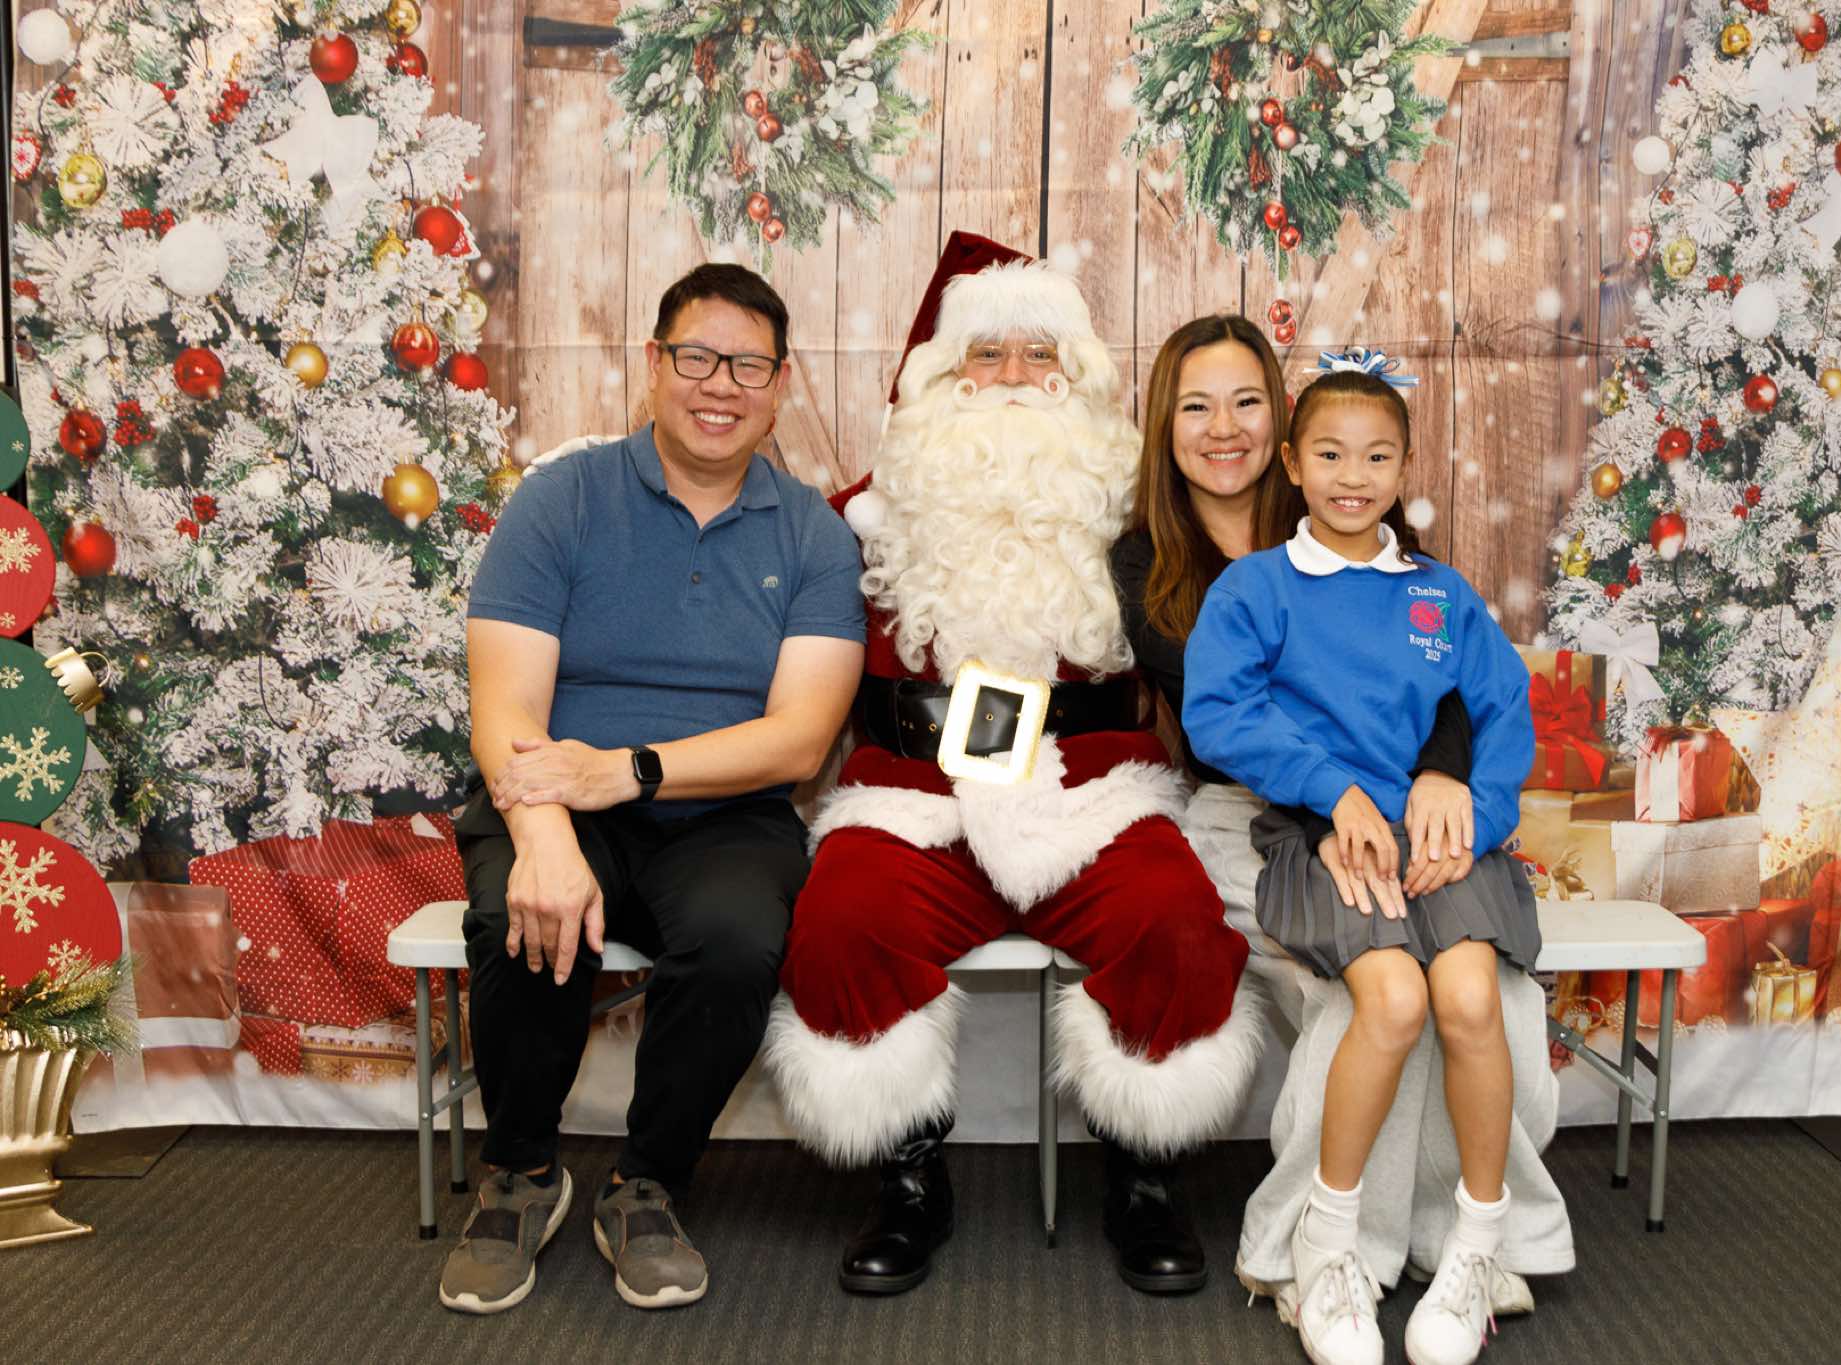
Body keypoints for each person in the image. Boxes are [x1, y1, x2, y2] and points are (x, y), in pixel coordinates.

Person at [767, 233, 1262, 1298]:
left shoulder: (1130, 508)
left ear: (1074, 376)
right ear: (939, 378)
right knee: (844, 916)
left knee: (1175, 917)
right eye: (984, 356)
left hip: (1094, 790)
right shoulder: (861, 516)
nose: (1011, 379)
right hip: (914, 797)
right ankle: (907, 1174)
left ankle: (1144, 1169)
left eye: (1040, 356)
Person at [1116, 321, 1570, 1359]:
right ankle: (1323, 1249)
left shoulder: (1435, 590)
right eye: (1329, 455)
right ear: (1296, 461)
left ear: (1404, 469)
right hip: (1297, 826)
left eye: (1375, 459)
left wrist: (1470, 809)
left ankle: (1473, 1243)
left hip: (1432, 836)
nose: (1351, 477)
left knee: (1480, 1000)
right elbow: (1228, 718)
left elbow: (1491, 705)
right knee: (1385, 999)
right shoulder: (1236, 584)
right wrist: (1332, 802)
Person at [439, 264, 866, 1315]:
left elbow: (799, 739)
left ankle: (646, 1184)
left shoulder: (812, 534)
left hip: (726, 816)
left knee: (735, 940)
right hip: (553, 796)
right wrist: (546, 837)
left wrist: (627, 768)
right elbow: (504, 707)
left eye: (748, 366)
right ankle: (520, 1173)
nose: (720, 385)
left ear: (779, 385)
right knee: (521, 913)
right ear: (653, 364)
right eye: (697, 357)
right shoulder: (562, 499)